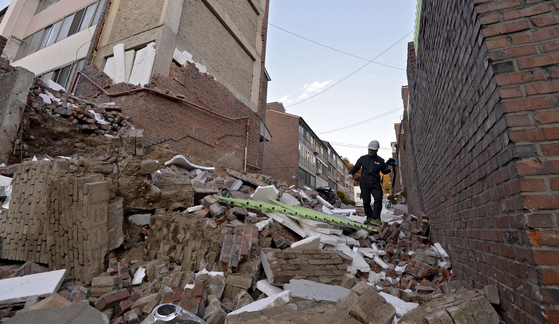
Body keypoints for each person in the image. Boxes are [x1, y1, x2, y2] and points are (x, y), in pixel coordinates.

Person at [347, 140, 395, 226]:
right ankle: (369, 217)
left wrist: (389, 168)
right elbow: (356, 167)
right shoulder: (363, 159)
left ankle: (376, 218)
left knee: (378, 199)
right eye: (369, 150)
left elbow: (384, 171)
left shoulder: (380, 160)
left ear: (376, 150)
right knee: (366, 201)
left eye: (372, 150)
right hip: (364, 183)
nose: (370, 152)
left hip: (375, 183)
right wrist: (351, 173)